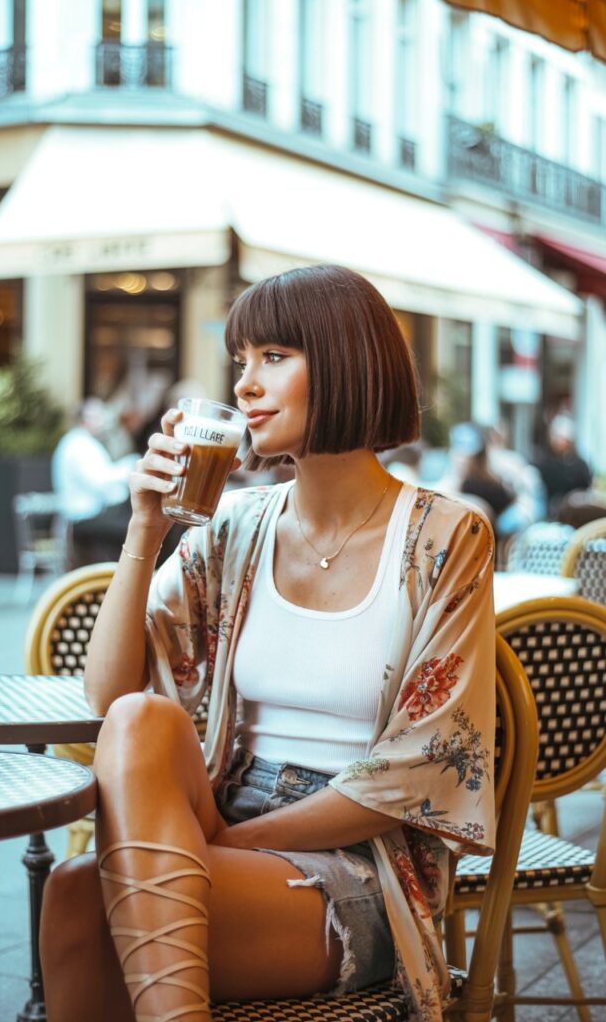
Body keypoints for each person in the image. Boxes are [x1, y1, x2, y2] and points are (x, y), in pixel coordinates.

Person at [42, 265, 496, 1022]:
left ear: (348, 361)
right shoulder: (233, 528)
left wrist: (231, 837)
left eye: (274, 357)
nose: (246, 384)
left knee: (80, 900)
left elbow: (419, 772)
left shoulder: (448, 538)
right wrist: (146, 524)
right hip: (213, 821)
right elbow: (107, 697)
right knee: (138, 724)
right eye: (240, 361)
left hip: (356, 861)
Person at [51, 398, 138, 566]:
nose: (103, 419)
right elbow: (100, 480)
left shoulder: (84, 441)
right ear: (84, 418)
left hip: (91, 515)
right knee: (132, 529)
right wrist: (127, 469)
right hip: (83, 518)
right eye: (96, 415)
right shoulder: (78, 444)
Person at [533, 414, 592, 519]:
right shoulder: (545, 463)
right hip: (550, 514)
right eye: (554, 437)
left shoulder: (580, 465)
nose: (556, 441)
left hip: (575, 515)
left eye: (560, 438)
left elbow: (586, 490)